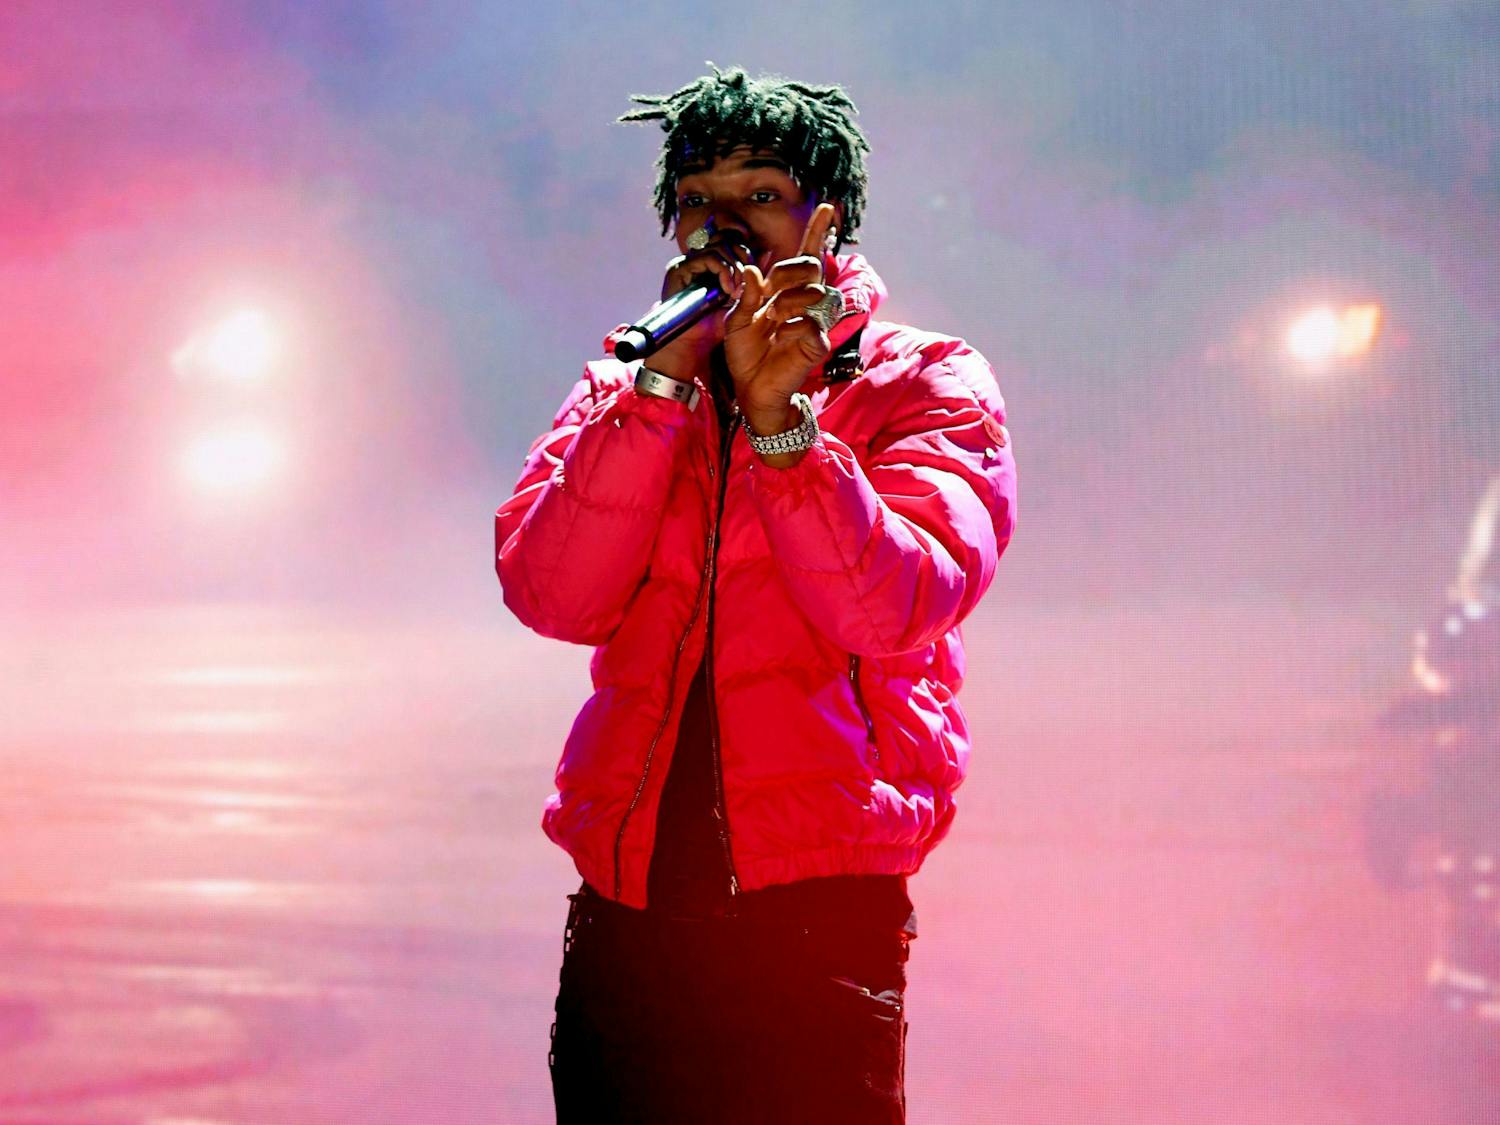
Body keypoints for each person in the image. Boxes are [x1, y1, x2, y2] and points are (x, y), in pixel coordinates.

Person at [495, 65, 1017, 1124]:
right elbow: (551, 593)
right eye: (697, 203)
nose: (722, 233)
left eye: (759, 199)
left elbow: (897, 603)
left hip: (817, 923)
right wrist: (657, 396)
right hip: (628, 918)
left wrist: (787, 430)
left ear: (829, 221)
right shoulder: (627, 386)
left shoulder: (925, 383)